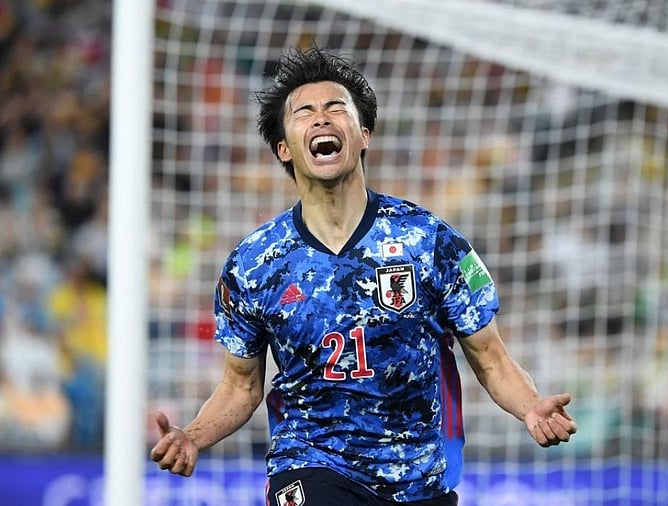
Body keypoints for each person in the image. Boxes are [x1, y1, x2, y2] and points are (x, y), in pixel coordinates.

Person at [150, 45, 577, 505]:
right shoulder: (255, 263)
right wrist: (193, 435)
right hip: (309, 464)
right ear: (283, 148)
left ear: (363, 134)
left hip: (418, 482)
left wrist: (531, 407)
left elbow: (490, 357)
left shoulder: (429, 240)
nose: (321, 118)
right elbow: (242, 385)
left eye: (337, 108)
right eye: (304, 112)